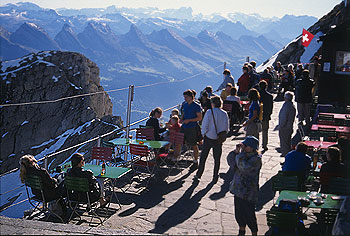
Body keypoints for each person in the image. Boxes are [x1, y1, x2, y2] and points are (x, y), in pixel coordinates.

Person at [227, 136, 262, 236]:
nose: (244, 147)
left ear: (252, 147)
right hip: (238, 190)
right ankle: (241, 231)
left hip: (248, 192)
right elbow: (231, 163)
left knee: (249, 214)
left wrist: (240, 154)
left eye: (245, 146)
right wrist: (235, 152)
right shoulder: (243, 155)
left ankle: (254, 232)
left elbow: (244, 167)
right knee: (239, 214)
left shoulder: (256, 159)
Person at [195, 95, 229, 181]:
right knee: (217, 158)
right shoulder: (224, 113)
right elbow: (226, 127)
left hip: (209, 137)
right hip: (218, 139)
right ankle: (215, 176)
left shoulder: (209, 112)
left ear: (212, 103)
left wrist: (203, 135)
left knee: (203, 157)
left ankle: (199, 175)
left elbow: (205, 125)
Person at [179, 89, 202, 167]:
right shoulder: (185, 104)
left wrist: (189, 120)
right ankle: (176, 158)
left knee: (194, 145)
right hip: (184, 126)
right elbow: (184, 113)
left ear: (191, 97)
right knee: (178, 141)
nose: (185, 99)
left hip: (192, 127)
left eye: (186, 97)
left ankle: (195, 161)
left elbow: (199, 118)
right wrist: (182, 118)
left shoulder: (196, 106)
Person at [278, 92, 296, 157]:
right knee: (288, 144)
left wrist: (281, 126)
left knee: (284, 144)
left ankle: (286, 157)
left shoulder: (286, 106)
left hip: (285, 128)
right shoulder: (292, 106)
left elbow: (284, 117)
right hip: (289, 127)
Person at [258, 80, 273, 151]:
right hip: (266, 115)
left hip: (257, 115)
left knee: (256, 131)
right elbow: (271, 107)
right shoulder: (270, 96)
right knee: (265, 131)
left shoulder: (258, 95)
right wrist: (269, 114)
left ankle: (256, 145)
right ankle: (264, 144)